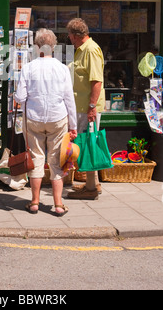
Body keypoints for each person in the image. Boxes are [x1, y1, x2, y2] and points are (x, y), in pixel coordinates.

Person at [14, 28, 77, 217]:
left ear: (37, 46)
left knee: (36, 159)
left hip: (33, 118)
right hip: (58, 119)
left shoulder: (28, 67)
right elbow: (69, 100)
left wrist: (16, 96)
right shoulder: (62, 68)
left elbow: (20, 97)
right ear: (54, 47)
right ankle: (58, 205)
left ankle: (34, 202)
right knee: (57, 161)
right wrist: (73, 125)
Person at [66, 18, 105, 200]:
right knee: (87, 142)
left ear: (74, 36)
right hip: (81, 106)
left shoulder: (91, 50)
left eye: (70, 36)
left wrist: (91, 107)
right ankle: (93, 183)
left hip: (87, 108)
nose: (69, 39)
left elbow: (96, 81)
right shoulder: (81, 50)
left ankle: (90, 189)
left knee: (88, 144)